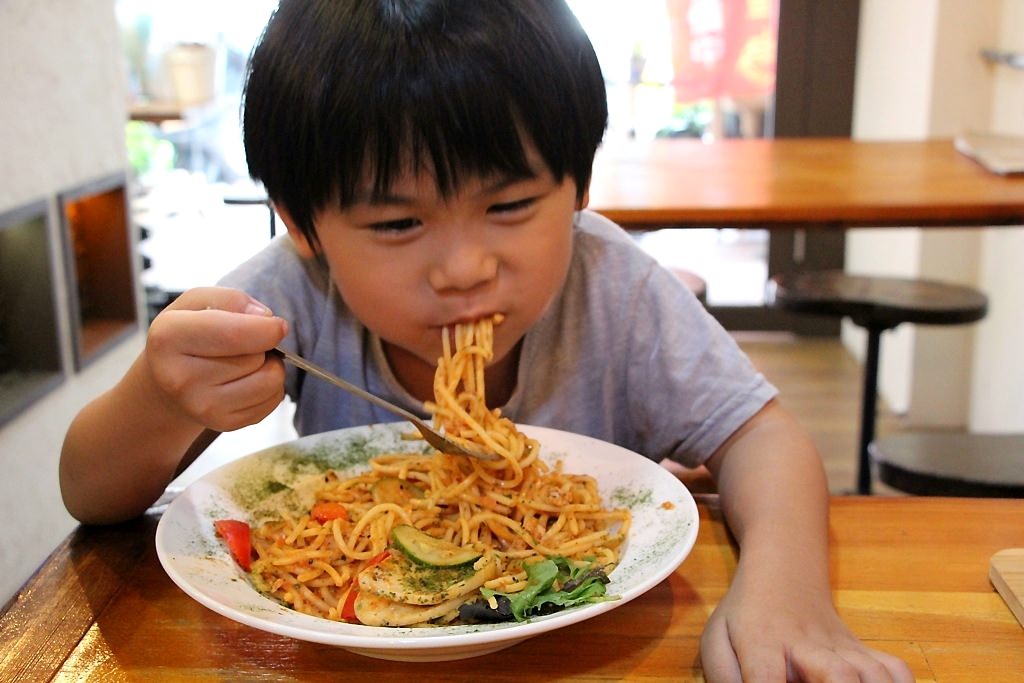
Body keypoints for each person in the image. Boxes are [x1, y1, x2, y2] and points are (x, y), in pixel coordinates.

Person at [60, 1, 912, 680]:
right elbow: (91, 493)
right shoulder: (289, 297)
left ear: (578, 186)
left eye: (509, 207)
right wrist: (159, 395)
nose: (465, 268)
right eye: (397, 222)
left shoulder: (614, 286)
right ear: (305, 225)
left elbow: (764, 438)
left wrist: (785, 595)